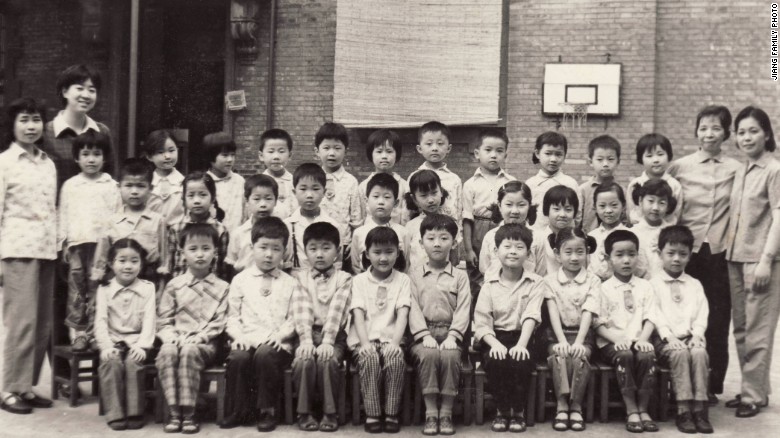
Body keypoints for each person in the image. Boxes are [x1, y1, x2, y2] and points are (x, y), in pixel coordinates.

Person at [667, 105, 741, 403]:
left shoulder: (736, 169)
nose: (709, 133)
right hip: (686, 253)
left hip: (720, 252)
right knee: (680, 316)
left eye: (716, 128)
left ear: (726, 133)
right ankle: (677, 384)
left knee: (717, 320)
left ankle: (709, 386)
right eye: (703, 127)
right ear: (696, 131)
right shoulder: (680, 166)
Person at [0, 98, 57, 414]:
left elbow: (51, 209)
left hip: (46, 249)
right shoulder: (4, 163)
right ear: (12, 124)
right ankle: (9, 389)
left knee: (41, 325)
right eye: (24, 119)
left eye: (36, 119)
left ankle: (26, 386)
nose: (31, 126)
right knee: (20, 323)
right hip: (17, 249)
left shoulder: (47, 162)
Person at [725, 106, 780, 418]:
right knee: (743, 329)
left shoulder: (774, 170)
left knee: (759, 330)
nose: (746, 137)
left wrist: (766, 260)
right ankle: (755, 390)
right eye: (741, 132)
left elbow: (779, 216)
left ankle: (752, 396)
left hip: (761, 261)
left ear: (767, 134)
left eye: (753, 131)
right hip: (735, 258)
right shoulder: (743, 169)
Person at [223, 217, 298, 431]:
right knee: (238, 357)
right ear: (252, 247)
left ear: (284, 251)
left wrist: (281, 335)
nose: (268, 254)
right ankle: (239, 410)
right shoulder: (241, 280)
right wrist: (238, 336)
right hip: (246, 338)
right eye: (263, 247)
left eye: (276, 249)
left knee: (265, 354)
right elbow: (232, 316)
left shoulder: (290, 282)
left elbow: (294, 318)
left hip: (276, 343)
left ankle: (268, 410)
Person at [156, 223, 230, 433]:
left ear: (215, 252)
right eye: (193, 249)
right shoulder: (174, 285)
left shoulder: (222, 287)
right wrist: (171, 337)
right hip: (177, 338)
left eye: (206, 249)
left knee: (189, 351)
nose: (200, 255)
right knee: (168, 351)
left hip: (206, 345)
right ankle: (174, 411)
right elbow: (164, 319)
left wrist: (201, 337)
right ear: (182, 253)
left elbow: (220, 321)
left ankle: (189, 412)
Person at [473, 224, 547, 432]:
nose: (513, 251)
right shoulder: (488, 285)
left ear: (529, 253)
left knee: (520, 361)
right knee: (496, 361)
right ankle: (502, 410)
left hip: (524, 336)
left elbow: (532, 315)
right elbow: (482, 322)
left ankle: (518, 410)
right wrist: (494, 343)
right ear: (496, 252)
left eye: (519, 247)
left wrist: (522, 345)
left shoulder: (536, 282)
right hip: (494, 337)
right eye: (507, 246)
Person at [58, 130, 122, 351]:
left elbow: (117, 216)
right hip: (77, 244)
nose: (91, 159)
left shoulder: (110, 185)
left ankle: (97, 333)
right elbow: (63, 215)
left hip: (102, 247)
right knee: (77, 290)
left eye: (96, 154)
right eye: (86, 154)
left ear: (104, 157)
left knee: (98, 288)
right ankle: (78, 333)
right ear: (77, 157)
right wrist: (64, 242)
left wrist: (115, 246)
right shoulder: (70, 185)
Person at [408, 214, 471, 436]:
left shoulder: (460, 276)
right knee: (429, 355)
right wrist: (423, 334)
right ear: (421, 242)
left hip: (450, 331)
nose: (437, 243)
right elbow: (412, 307)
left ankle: (446, 413)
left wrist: (453, 336)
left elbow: (463, 309)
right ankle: (431, 413)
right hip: (423, 333)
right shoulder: (414, 275)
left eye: (444, 238)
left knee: (451, 356)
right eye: (431, 238)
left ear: (454, 242)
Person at [594, 229, 659, 433]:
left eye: (631, 254)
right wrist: (616, 338)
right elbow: (598, 323)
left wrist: (643, 338)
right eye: (619, 255)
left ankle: (643, 408)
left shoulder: (645, 286)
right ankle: (631, 409)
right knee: (624, 354)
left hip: (638, 340)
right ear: (608, 258)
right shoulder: (603, 288)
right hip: (612, 343)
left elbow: (651, 317)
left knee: (647, 355)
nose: (626, 261)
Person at [290, 222, 353, 432]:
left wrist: (328, 341)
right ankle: (304, 411)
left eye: (326, 248)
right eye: (313, 248)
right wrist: (306, 340)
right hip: (307, 332)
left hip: (334, 335)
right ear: (305, 251)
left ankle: (330, 411)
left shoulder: (344, 278)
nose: (319, 254)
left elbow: (338, 311)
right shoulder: (300, 278)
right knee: (303, 360)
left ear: (337, 252)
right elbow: (302, 309)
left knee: (328, 359)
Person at [650, 225, 713, 433]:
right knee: (678, 354)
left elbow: (701, 313)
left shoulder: (694, 284)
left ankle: (700, 409)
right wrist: (668, 336)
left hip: (689, 337)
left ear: (689, 257)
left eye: (683, 254)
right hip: (664, 340)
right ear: (660, 254)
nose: (676, 259)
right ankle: (683, 409)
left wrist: (697, 334)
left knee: (699, 352)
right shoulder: (653, 284)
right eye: (671, 253)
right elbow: (654, 314)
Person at [348, 227, 411, 433]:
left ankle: (392, 413)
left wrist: (394, 343)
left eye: (389, 252)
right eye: (377, 252)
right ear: (366, 254)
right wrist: (365, 344)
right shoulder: (358, 281)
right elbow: (358, 314)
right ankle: (373, 413)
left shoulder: (403, 280)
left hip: (391, 339)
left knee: (394, 358)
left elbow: (402, 314)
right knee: (370, 358)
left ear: (398, 253)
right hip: (365, 339)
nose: (383, 258)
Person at [94, 238, 155, 430]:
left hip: (138, 341)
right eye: (122, 261)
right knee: (111, 362)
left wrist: (143, 345)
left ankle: (135, 411)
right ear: (111, 264)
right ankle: (115, 413)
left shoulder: (147, 288)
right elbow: (101, 321)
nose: (128, 266)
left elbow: (149, 320)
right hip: (114, 341)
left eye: (134, 261)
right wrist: (105, 346)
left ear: (141, 264)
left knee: (133, 362)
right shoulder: (104, 289)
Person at [544, 228, 600, 432]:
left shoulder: (593, 280)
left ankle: (576, 405)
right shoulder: (549, 281)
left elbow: (588, 312)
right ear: (557, 254)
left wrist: (578, 342)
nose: (575, 257)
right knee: (560, 355)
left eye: (580, 251)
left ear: (587, 252)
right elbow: (553, 313)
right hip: (556, 335)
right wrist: (561, 341)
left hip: (583, 335)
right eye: (568, 252)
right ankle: (561, 404)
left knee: (579, 356)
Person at [92, 158, 167, 290]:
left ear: (150, 188)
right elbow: (101, 257)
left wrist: (161, 289)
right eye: (128, 185)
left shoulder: (158, 220)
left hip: (148, 282)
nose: (134, 191)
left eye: (140, 186)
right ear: (119, 187)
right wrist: (98, 282)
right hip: (117, 282)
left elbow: (164, 259)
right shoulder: (111, 221)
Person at [44, 64, 114, 189]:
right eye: (80, 88)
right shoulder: (46, 133)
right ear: (65, 92)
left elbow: (110, 176)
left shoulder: (102, 131)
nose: (86, 95)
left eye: (92, 90)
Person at [462, 129, 516, 287]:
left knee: (502, 271)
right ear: (477, 153)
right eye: (488, 150)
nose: (494, 155)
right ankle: (478, 311)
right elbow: (467, 219)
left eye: (499, 151)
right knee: (477, 276)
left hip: (503, 229)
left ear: (505, 155)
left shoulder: (511, 182)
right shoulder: (470, 184)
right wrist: (468, 249)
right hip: (478, 229)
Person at [164, 172, 231, 281]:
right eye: (191, 195)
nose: (197, 201)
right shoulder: (176, 229)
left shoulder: (220, 230)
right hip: (181, 288)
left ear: (213, 198)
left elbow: (222, 267)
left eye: (202, 194)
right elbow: (171, 264)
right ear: (183, 199)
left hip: (211, 290)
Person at [315, 122, 364, 273]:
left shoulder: (351, 181)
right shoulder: (312, 180)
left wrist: (353, 243)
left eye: (337, 148)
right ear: (317, 151)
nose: (331, 153)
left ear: (345, 151)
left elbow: (356, 219)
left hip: (343, 246)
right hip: (316, 245)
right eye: (326, 148)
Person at [283, 163, 342, 271]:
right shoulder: (287, 225)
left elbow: (337, 262)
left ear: (324, 192)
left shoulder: (333, 225)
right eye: (303, 189)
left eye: (315, 189)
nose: (309, 195)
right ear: (294, 192)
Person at [351, 173, 411, 274]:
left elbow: (406, 264)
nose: (381, 202)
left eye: (387, 197)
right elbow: (356, 265)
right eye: (376, 196)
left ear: (396, 203)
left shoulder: (403, 233)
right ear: (366, 201)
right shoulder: (359, 233)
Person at [408, 121, 463, 226]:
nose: (434, 148)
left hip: (448, 231)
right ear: (419, 148)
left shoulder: (454, 179)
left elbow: (459, 211)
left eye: (440, 143)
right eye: (429, 144)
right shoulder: (414, 177)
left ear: (449, 148)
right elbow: (410, 210)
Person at [479, 181, 537, 278]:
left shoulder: (538, 238)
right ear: (499, 205)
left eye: (521, 205)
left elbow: (541, 271)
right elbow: (484, 268)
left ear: (529, 206)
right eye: (509, 204)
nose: (515, 211)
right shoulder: (490, 236)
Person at [588, 182, 645, 281]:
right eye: (602, 206)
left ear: (623, 206)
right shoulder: (591, 237)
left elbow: (641, 268)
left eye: (614, 205)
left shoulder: (632, 235)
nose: (608, 210)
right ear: (595, 207)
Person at [526, 131, 582, 230]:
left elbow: (577, 215)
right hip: (537, 237)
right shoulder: (530, 184)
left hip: (565, 237)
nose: (553, 159)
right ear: (537, 153)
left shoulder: (570, 183)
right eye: (548, 153)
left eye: (558, 154)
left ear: (564, 155)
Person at [404, 170, 458, 269]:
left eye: (434, 193)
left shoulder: (450, 222)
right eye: (424, 195)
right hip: (417, 278)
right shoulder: (411, 226)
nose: (430, 200)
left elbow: (454, 258)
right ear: (414, 199)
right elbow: (406, 259)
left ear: (441, 192)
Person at [626, 133, 683, 225]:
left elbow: (676, 215)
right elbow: (632, 213)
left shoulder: (674, 185)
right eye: (649, 156)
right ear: (641, 158)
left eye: (660, 154)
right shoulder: (635, 184)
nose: (656, 160)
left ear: (669, 156)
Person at [225, 174, 277, 273]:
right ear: (247, 201)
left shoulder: (282, 231)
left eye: (268, 198)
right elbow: (231, 264)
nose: (263, 205)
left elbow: (286, 263)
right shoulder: (238, 234)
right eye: (257, 199)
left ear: (275, 201)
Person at [358, 129, 409, 225]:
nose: (384, 156)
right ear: (371, 154)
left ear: (397, 154)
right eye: (379, 151)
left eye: (389, 151)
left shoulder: (404, 186)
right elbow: (362, 216)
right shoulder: (363, 186)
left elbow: (405, 217)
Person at [630, 179, 678, 279]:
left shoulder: (673, 233)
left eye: (662, 203)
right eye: (651, 201)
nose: (655, 207)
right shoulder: (632, 233)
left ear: (668, 206)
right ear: (640, 201)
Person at [530, 185, 579, 276]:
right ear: (547, 210)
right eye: (556, 209)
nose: (562, 214)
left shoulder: (578, 239)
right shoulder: (539, 239)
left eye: (568, 209)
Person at [204, 132, 245, 232]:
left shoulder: (240, 181)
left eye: (233, 155)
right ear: (211, 156)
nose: (230, 159)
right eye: (225, 155)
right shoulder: (203, 182)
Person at [579, 135, 622, 233]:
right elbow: (578, 220)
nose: (605, 164)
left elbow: (625, 219)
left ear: (618, 161)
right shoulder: (583, 190)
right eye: (600, 159)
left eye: (610, 159)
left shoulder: (621, 190)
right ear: (591, 162)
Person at [143, 129, 185, 225]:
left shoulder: (184, 182)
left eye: (171, 150)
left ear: (177, 150)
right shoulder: (146, 182)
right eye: (160, 152)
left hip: (176, 234)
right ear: (149, 157)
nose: (167, 156)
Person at [259, 128, 298, 219]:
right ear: (261, 156)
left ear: (290, 155)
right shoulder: (257, 184)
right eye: (271, 151)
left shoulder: (295, 183)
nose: (276, 157)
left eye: (281, 151)